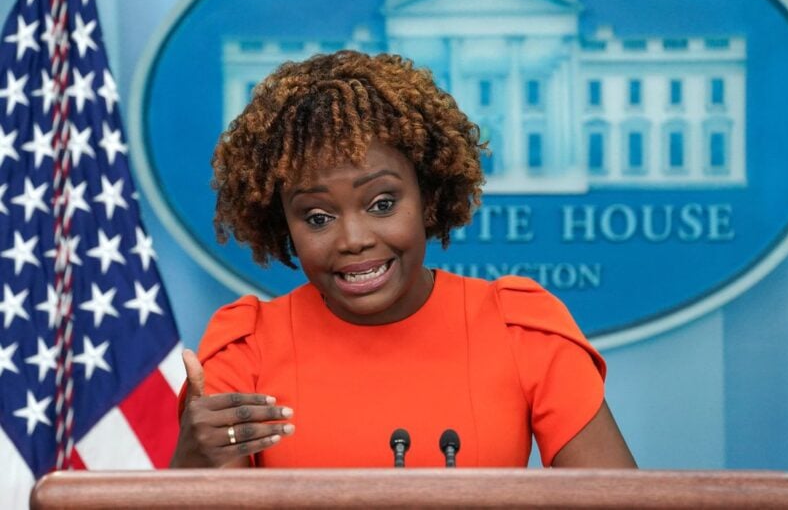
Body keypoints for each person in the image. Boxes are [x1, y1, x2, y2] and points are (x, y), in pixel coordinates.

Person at [170, 50, 636, 469]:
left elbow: (623, 505)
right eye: (316, 217)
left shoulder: (520, 327)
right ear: (284, 227)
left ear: (428, 198)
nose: (353, 239)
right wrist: (194, 456)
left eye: (382, 204)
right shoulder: (246, 348)